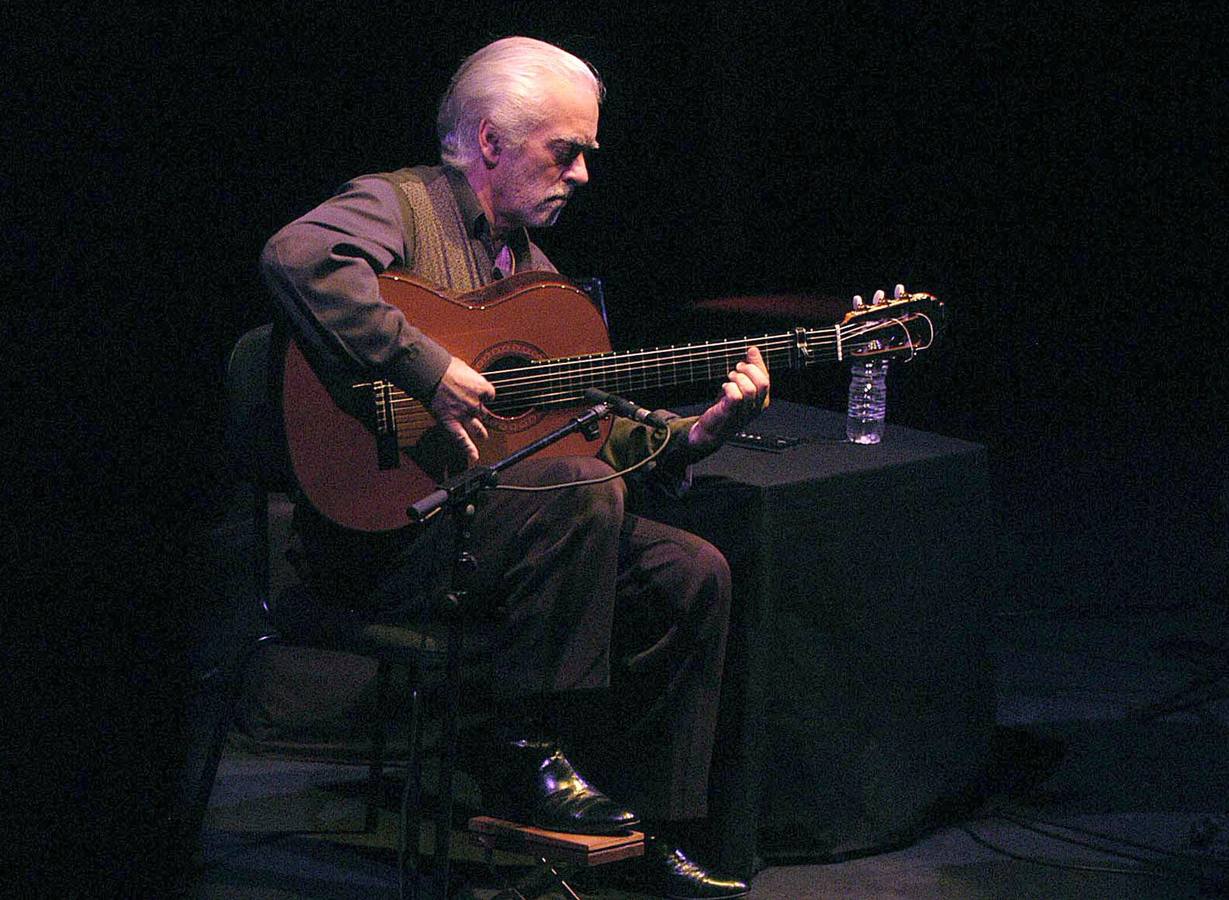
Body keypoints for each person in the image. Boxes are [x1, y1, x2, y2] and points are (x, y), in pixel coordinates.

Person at [261, 36, 769, 899]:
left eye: (584, 155)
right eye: (564, 150)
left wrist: (694, 437)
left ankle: (645, 833)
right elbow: (297, 256)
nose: (579, 175)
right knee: (578, 494)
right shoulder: (401, 207)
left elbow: (582, 433)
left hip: (497, 541)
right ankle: (518, 759)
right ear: (492, 142)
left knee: (691, 569)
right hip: (379, 542)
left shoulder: (532, 278)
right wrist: (424, 366)